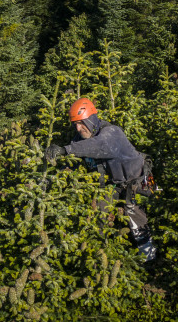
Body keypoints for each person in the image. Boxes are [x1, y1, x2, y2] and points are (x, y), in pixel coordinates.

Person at [45, 98, 157, 262]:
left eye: (81, 123)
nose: (78, 128)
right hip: (113, 185)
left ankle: (150, 259)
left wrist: (64, 150)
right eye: (75, 124)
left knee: (136, 217)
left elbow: (99, 146)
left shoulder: (111, 133)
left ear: (90, 119)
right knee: (98, 214)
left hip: (137, 181)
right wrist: (52, 178)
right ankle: (98, 258)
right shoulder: (79, 139)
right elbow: (73, 163)